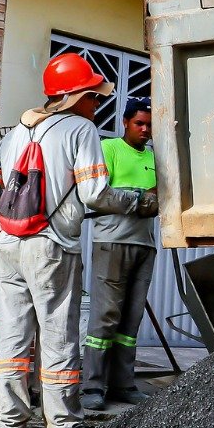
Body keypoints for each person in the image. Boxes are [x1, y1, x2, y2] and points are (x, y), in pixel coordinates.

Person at [0, 54, 148, 428]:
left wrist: (1, 217)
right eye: (93, 96)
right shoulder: (81, 130)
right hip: (53, 248)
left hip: (9, 247)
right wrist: (139, 202)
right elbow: (95, 194)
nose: (97, 104)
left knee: (13, 341)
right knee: (58, 337)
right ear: (73, 96)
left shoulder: (21, 127)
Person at [81, 95, 160, 410]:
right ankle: (92, 387)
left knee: (131, 318)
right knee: (105, 315)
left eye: (150, 125)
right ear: (125, 122)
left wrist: (146, 200)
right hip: (112, 242)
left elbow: (163, 196)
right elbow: (99, 195)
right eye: (139, 123)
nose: (145, 130)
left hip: (144, 244)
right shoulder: (109, 149)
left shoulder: (156, 157)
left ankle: (123, 384)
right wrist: (141, 199)